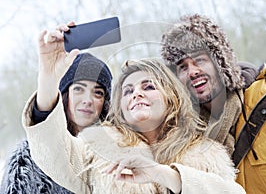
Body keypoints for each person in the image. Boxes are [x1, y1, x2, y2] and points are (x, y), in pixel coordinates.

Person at [20, 23, 246, 193]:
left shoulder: (206, 154)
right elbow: (53, 152)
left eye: (148, 86)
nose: (136, 93)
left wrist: (165, 175)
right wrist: (48, 78)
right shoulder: (99, 150)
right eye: (127, 91)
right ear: (121, 108)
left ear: (172, 98)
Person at [161, 13, 266, 194]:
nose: (193, 72)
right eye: (183, 67)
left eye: (200, 60)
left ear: (221, 62)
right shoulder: (184, 138)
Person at [0, 52, 112, 194]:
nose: (88, 100)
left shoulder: (114, 154)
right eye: (78, 89)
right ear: (64, 94)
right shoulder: (29, 160)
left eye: (98, 93)